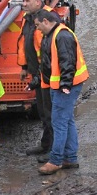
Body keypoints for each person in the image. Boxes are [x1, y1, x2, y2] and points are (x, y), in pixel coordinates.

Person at [34, 9, 89, 175]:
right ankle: (70, 158)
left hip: (65, 86)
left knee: (58, 122)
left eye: (37, 25)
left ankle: (56, 160)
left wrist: (65, 84)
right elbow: (49, 62)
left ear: (45, 21)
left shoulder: (61, 36)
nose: (37, 29)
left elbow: (68, 61)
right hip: (63, 85)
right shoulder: (53, 34)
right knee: (67, 120)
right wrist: (38, 80)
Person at [18, 0, 55, 163]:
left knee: (50, 113)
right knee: (42, 112)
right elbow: (24, 43)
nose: (23, 4)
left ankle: (54, 151)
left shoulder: (45, 20)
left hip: (47, 75)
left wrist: (41, 74)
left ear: (38, 2)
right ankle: (46, 145)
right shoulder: (28, 20)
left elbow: (46, 52)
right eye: (23, 1)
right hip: (38, 74)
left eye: (27, 1)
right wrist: (24, 66)